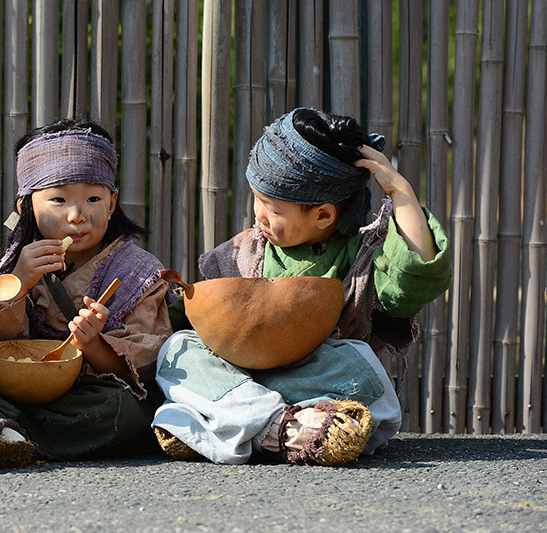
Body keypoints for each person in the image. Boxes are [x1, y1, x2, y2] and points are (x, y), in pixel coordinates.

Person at [152, 107, 451, 466]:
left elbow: (416, 276)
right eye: (256, 198)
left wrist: (400, 190)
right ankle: (285, 429)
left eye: (272, 207)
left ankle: (228, 428)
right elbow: (190, 318)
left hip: (314, 380)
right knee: (177, 349)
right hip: (243, 376)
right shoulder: (241, 252)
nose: (258, 214)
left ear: (323, 215)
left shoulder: (361, 256)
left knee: (365, 371)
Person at [0, 119, 174, 471]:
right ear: (26, 208)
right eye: (59, 199)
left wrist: (94, 344)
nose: (77, 215)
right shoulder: (20, 258)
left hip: (85, 393)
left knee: (122, 412)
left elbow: (142, 366)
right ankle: (5, 430)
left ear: (112, 204)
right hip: (18, 385)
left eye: (93, 198)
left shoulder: (137, 271)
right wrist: (18, 280)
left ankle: (0, 431)